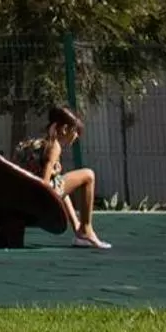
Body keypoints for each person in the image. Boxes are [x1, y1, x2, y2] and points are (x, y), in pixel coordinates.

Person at [15, 105, 111, 249]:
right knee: (89, 175)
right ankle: (86, 229)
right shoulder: (55, 146)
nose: (76, 136)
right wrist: (47, 197)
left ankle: (79, 230)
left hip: (24, 198)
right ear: (65, 129)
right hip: (39, 200)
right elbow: (45, 182)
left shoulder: (40, 143)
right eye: (75, 131)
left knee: (61, 182)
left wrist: (55, 175)